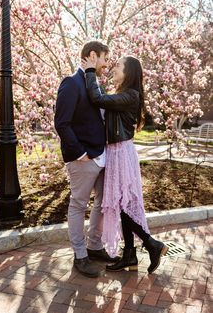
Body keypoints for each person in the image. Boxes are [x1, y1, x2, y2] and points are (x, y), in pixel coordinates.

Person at [82, 55, 169, 274]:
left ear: (129, 72)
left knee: (122, 204)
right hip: (116, 151)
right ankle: (129, 254)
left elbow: (98, 99)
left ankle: (151, 243)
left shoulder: (131, 95)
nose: (114, 68)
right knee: (121, 204)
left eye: (118, 66)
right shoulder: (123, 94)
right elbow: (102, 99)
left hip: (121, 152)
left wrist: (90, 72)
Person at [54, 41, 119, 278]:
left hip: (103, 157)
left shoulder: (94, 84)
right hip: (83, 159)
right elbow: (62, 123)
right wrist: (80, 153)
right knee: (78, 205)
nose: (106, 64)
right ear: (92, 56)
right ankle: (80, 255)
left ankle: (94, 246)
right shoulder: (71, 83)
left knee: (103, 203)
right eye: (105, 58)